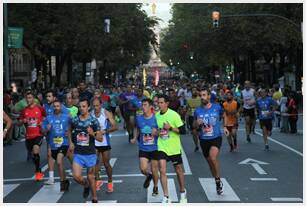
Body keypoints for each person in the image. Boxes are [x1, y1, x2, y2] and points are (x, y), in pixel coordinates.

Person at [156, 94, 187, 203]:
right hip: (162, 146)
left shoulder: (174, 115)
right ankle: (166, 196)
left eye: (161, 102)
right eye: (158, 103)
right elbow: (156, 131)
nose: (159, 105)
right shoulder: (156, 116)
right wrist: (156, 132)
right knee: (162, 170)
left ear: (167, 103)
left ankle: (182, 192)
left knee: (178, 170)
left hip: (174, 147)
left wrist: (171, 128)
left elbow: (183, 131)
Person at [71, 98, 103, 203]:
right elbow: (68, 130)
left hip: (90, 154)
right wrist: (71, 142)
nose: (82, 108)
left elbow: (100, 138)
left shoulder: (93, 121)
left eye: (84, 106)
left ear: (88, 107)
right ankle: (85, 185)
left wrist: (92, 134)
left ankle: (94, 198)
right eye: (80, 107)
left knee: (91, 177)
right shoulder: (75, 120)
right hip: (78, 153)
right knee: (76, 176)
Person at [193, 88, 224, 195]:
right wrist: (197, 123)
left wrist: (224, 127)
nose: (202, 97)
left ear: (209, 96)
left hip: (216, 137)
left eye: (204, 95)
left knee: (213, 157)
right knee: (210, 163)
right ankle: (216, 180)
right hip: (203, 139)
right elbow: (193, 126)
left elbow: (223, 116)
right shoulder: (197, 110)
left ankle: (218, 180)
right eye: (201, 95)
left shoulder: (217, 107)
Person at [131, 98, 159, 196]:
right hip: (143, 147)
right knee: (143, 169)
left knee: (155, 169)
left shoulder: (156, 117)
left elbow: (163, 132)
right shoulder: (139, 118)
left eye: (145, 105)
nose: (143, 107)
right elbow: (136, 128)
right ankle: (148, 175)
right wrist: (134, 137)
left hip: (155, 148)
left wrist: (157, 133)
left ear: (151, 106)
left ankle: (155, 187)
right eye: (142, 105)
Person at [42, 100, 72, 191]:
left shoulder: (67, 117)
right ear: (52, 108)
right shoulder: (48, 118)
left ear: (61, 107)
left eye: (58, 106)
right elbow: (43, 131)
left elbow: (74, 126)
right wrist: (46, 129)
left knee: (59, 161)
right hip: (53, 144)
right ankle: (65, 180)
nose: (56, 108)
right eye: (54, 106)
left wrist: (70, 133)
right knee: (60, 165)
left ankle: (62, 183)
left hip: (64, 143)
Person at [91, 98, 117, 192]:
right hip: (94, 141)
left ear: (101, 105)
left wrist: (105, 131)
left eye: (97, 105)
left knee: (106, 164)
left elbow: (115, 126)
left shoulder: (106, 113)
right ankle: (98, 180)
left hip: (105, 141)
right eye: (94, 106)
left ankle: (110, 182)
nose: (96, 107)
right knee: (94, 162)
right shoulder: (91, 114)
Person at [20, 91, 46, 181]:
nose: (28, 99)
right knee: (33, 155)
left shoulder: (39, 108)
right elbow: (19, 122)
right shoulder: (24, 110)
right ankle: (37, 167)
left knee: (36, 150)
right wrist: (22, 121)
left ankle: (38, 171)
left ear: (33, 98)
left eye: (30, 97)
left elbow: (46, 117)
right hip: (28, 136)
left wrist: (42, 122)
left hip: (38, 134)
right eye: (27, 98)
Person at [186, 87, 201, 151]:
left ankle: (202, 143)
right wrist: (187, 122)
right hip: (191, 117)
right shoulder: (189, 100)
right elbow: (187, 110)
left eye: (195, 90)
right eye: (193, 90)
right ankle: (196, 145)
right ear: (191, 92)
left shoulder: (200, 99)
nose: (194, 91)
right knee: (194, 132)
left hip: (199, 117)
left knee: (200, 132)